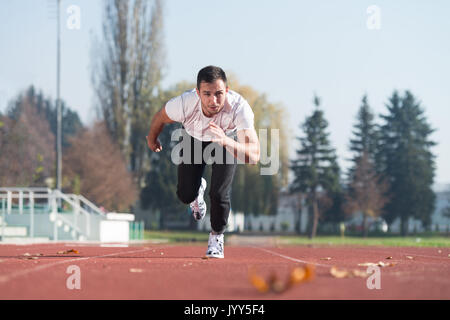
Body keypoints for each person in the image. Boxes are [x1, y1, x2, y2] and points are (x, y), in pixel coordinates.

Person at [146, 65, 260, 258]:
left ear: (227, 91)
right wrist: (151, 138)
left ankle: (216, 239)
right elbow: (160, 117)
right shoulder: (184, 103)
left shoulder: (240, 108)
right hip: (194, 138)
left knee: (219, 193)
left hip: (225, 140)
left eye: (219, 94)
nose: (213, 101)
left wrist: (225, 140)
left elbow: (254, 156)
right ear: (197, 93)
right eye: (207, 94)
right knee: (185, 194)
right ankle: (197, 191)